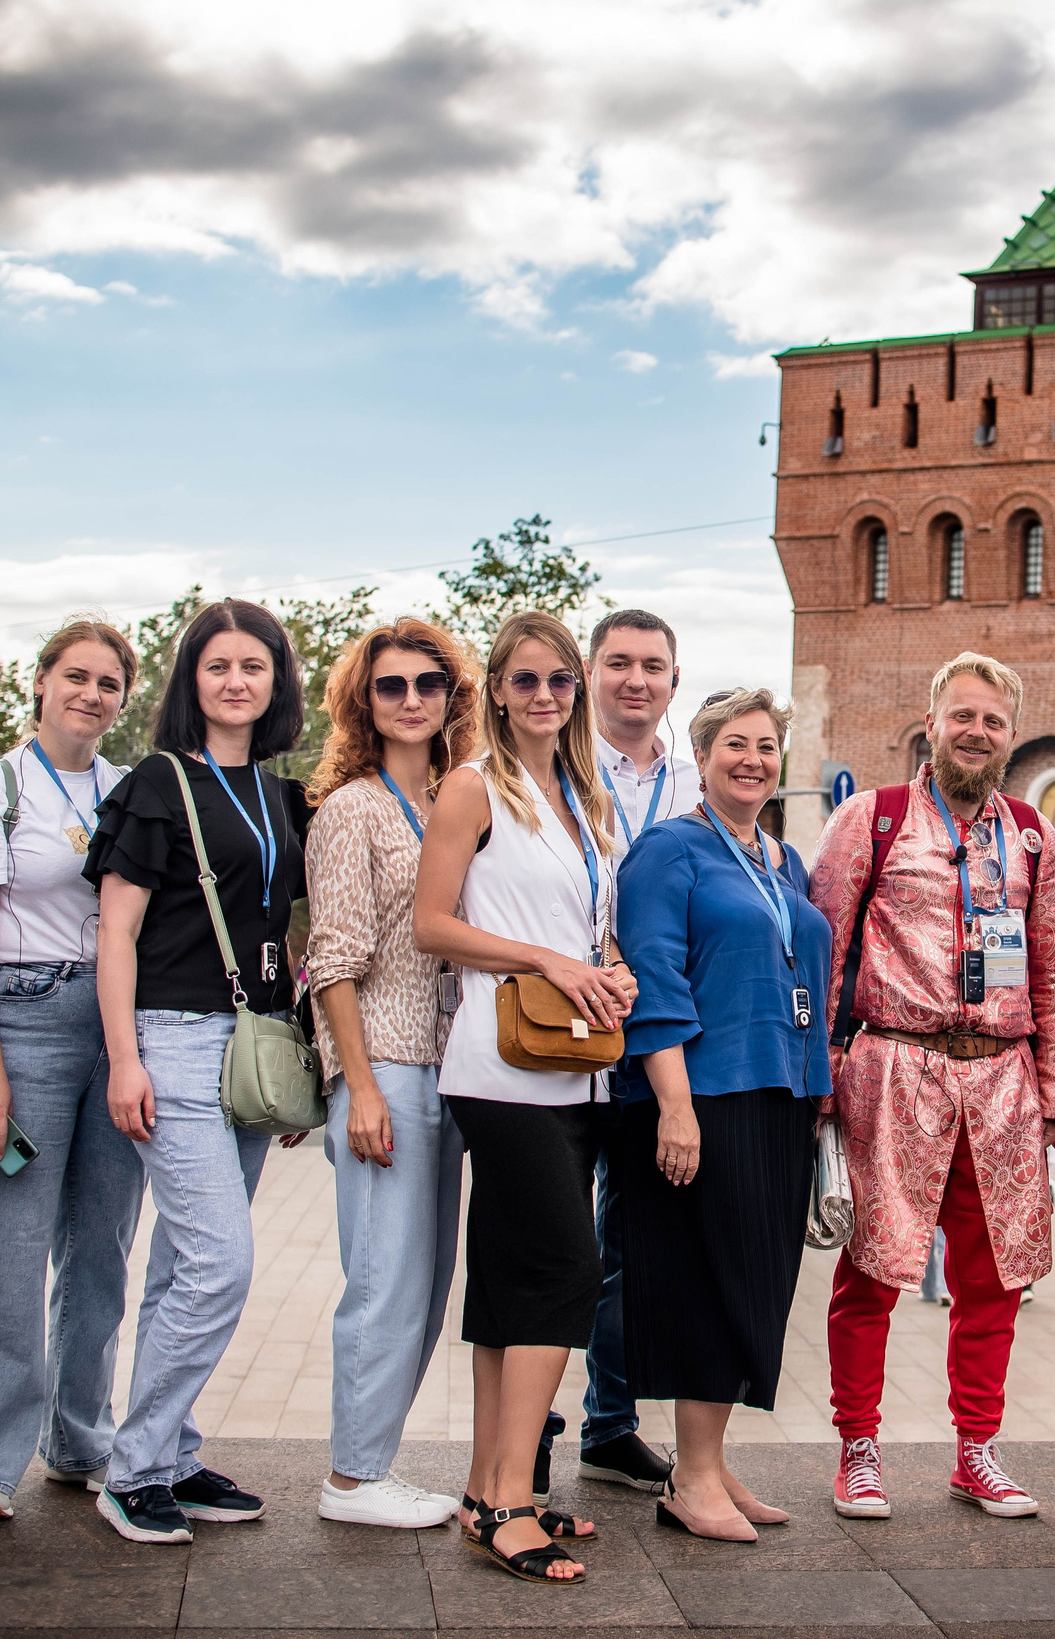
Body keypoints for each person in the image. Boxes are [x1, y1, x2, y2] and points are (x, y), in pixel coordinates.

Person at [808, 651, 1055, 1522]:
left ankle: (977, 1451)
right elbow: (825, 946)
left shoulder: (1031, 833)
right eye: (964, 715)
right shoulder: (871, 819)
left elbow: (1050, 970)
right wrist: (822, 1070)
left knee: (992, 1277)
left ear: (1010, 734)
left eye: (993, 720)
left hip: (1001, 1079)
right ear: (932, 719)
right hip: (893, 1066)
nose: (977, 732)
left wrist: (1052, 1092)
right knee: (874, 1270)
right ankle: (858, 1448)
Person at [413, 610, 634, 1585]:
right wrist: (545, 957)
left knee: (508, 1278)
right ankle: (511, 1497)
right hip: (500, 1065)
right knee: (566, 1268)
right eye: (525, 679)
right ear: (496, 690)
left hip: (577, 1060)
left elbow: (594, 925)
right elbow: (431, 925)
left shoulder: (588, 798)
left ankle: (485, 1488)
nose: (545, 695)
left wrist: (612, 966)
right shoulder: (471, 787)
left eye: (559, 680)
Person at [87, 599, 311, 1544]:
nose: (235, 680)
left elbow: (290, 933)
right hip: (171, 1039)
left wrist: (299, 1052)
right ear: (193, 681)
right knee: (221, 1263)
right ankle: (132, 1466)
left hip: (255, 1041)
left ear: (275, 682)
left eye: (253, 666)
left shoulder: (279, 793)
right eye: (217, 665)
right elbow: (117, 932)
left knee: (185, 1264)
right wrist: (124, 1059)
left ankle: (171, 1453)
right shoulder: (157, 781)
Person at [0, 618, 143, 1521]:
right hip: (24, 1019)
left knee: (101, 1249)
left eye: (108, 682)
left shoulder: (130, 789)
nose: (91, 694)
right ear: (42, 682)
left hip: (118, 1026)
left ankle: (78, 1435)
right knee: (6, 1247)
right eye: (77, 677)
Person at [614, 688, 834, 1542]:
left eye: (767, 746)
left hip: (779, 1092)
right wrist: (674, 1104)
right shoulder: (669, 851)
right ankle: (692, 1478)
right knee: (708, 1281)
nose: (753, 758)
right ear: (701, 758)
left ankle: (710, 1460)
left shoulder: (783, 860)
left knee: (756, 1282)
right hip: (701, 1096)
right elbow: (655, 978)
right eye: (734, 744)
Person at [301, 617, 479, 1529]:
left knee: (427, 1281)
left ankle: (373, 1462)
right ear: (363, 704)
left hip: (455, 1070)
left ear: (452, 697)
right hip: (386, 1066)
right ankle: (352, 1477)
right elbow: (330, 959)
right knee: (383, 1278)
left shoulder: (461, 798)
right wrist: (358, 1085)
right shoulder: (352, 809)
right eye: (390, 686)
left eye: (427, 683)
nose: (411, 699)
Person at [570, 609, 697, 1496]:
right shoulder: (556, 769)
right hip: (561, 1027)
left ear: (674, 682)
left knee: (631, 1244)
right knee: (546, 1239)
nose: (636, 679)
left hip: (650, 1043)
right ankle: (527, 1424)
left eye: (653, 665)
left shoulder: (698, 783)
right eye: (619, 662)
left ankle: (609, 1421)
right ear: (590, 671)